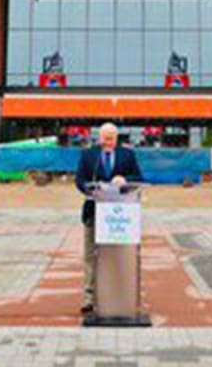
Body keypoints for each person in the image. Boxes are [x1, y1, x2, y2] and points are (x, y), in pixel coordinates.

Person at [75, 122, 143, 314]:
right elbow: (79, 180)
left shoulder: (127, 155)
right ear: (99, 137)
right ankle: (89, 297)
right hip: (94, 210)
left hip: (121, 212)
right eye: (105, 138)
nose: (108, 142)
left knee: (120, 253)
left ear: (117, 138)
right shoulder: (89, 155)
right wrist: (90, 190)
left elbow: (138, 176)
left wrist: (125, 181)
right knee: (90, 254)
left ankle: (122, 293)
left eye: (111, 138)